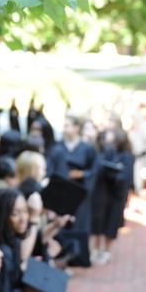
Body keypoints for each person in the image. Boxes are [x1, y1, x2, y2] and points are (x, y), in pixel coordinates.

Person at [47, 114, 96, 267]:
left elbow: (94, 170)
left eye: (68, 125)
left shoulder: (87, 149)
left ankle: (77, 258)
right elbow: (49, 169)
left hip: (79, 193)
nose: (64, 128)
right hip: (60, 193)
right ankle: (59, 257)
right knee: (60, 225)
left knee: (79, 225)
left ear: (76, 128)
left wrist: (81, 174)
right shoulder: (57, 148)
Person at [90, 129, 134, 264]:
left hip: (117, 195)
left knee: (111, 224)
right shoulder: (107, 150)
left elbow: (126, 177)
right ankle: (96, 250)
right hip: (104, 193)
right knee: (99, 222)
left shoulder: (127, 156)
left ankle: (106, 251)